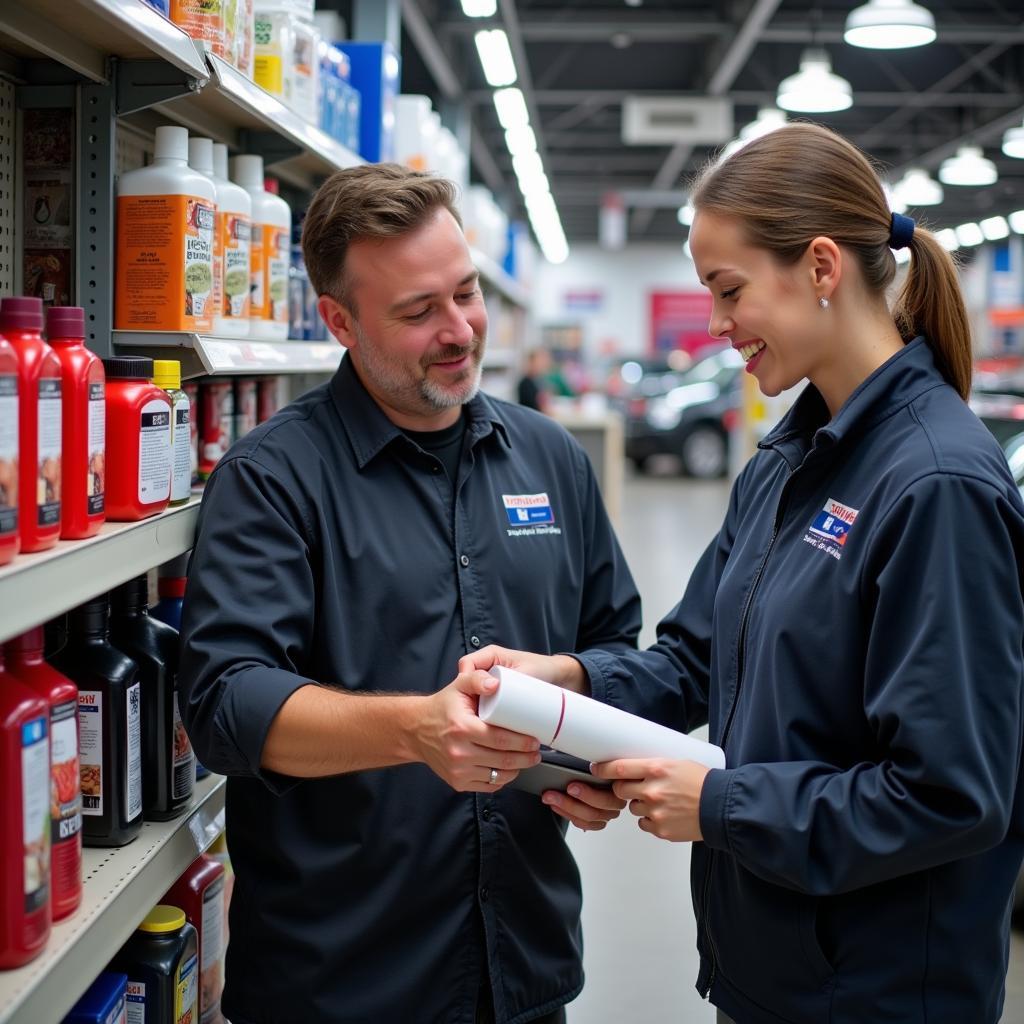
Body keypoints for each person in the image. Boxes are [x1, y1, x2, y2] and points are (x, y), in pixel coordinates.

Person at [463, 123, 1024, 1024]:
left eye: (729, 291)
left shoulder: (936, 485)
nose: (716, 326)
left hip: (877, 992)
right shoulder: (787, 459)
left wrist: (723, 806)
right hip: (770, 970)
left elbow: (950, 794)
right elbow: (695, 659)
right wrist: (569, 685)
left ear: (820, 267)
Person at [177, 163, 641, 1024]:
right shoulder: (276, 479)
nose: (460, 329)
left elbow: (613, 644)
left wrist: (593, 760)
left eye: (465, 293)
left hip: (524, 968)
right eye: (418, 311)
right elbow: (226, 703)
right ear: (340, 322)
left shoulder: (551, 460)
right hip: (342, 983)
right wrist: (415, 732)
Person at [517, 347, 552, 412]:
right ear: (531, 362)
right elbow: (535, 407)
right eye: (539, 361)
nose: (542, 364)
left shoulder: (538, 380)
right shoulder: (526, 383)